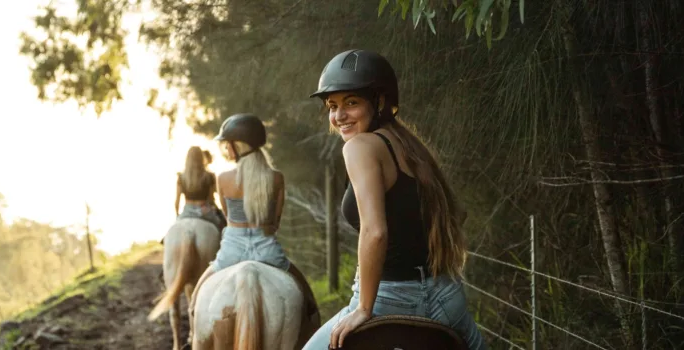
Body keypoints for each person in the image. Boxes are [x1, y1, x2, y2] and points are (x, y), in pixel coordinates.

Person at [302, 49, 486, 350]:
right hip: (446, 297)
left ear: (381, 102)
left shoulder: (359, 147)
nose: (339, 116)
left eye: (351, 102)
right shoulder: (410, 145)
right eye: (332, 106)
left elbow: (375, 232)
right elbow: (458, 213)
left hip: (388, 299)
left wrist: (364, 308)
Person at [187, 113, 320, 345]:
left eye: (227, 145)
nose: (226, 150)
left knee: (197, 297)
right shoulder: (276, 178)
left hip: (232, 250)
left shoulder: (223, 178)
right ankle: (312, 331)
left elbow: (228, 216)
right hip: (267, 248)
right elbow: (275, 221)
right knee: (307, 297)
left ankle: (192, 335)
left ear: (237, 146)